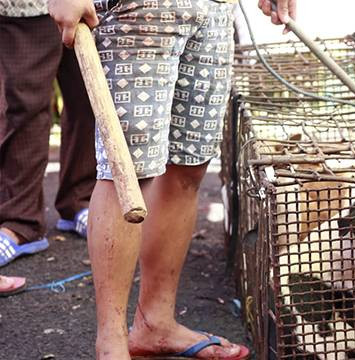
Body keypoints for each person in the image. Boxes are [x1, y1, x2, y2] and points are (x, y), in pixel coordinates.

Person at [47, 0, 296, 358]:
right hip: (139, 8)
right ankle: (111, 343)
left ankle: (155, 323)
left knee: (189, 165)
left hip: (214, 9)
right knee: (126, 169)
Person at [0, 3, 97, 267]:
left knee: (91, 96)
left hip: (95, 5)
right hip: (30, 6)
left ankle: (81, 200)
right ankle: (21, 221)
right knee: (21, 104)